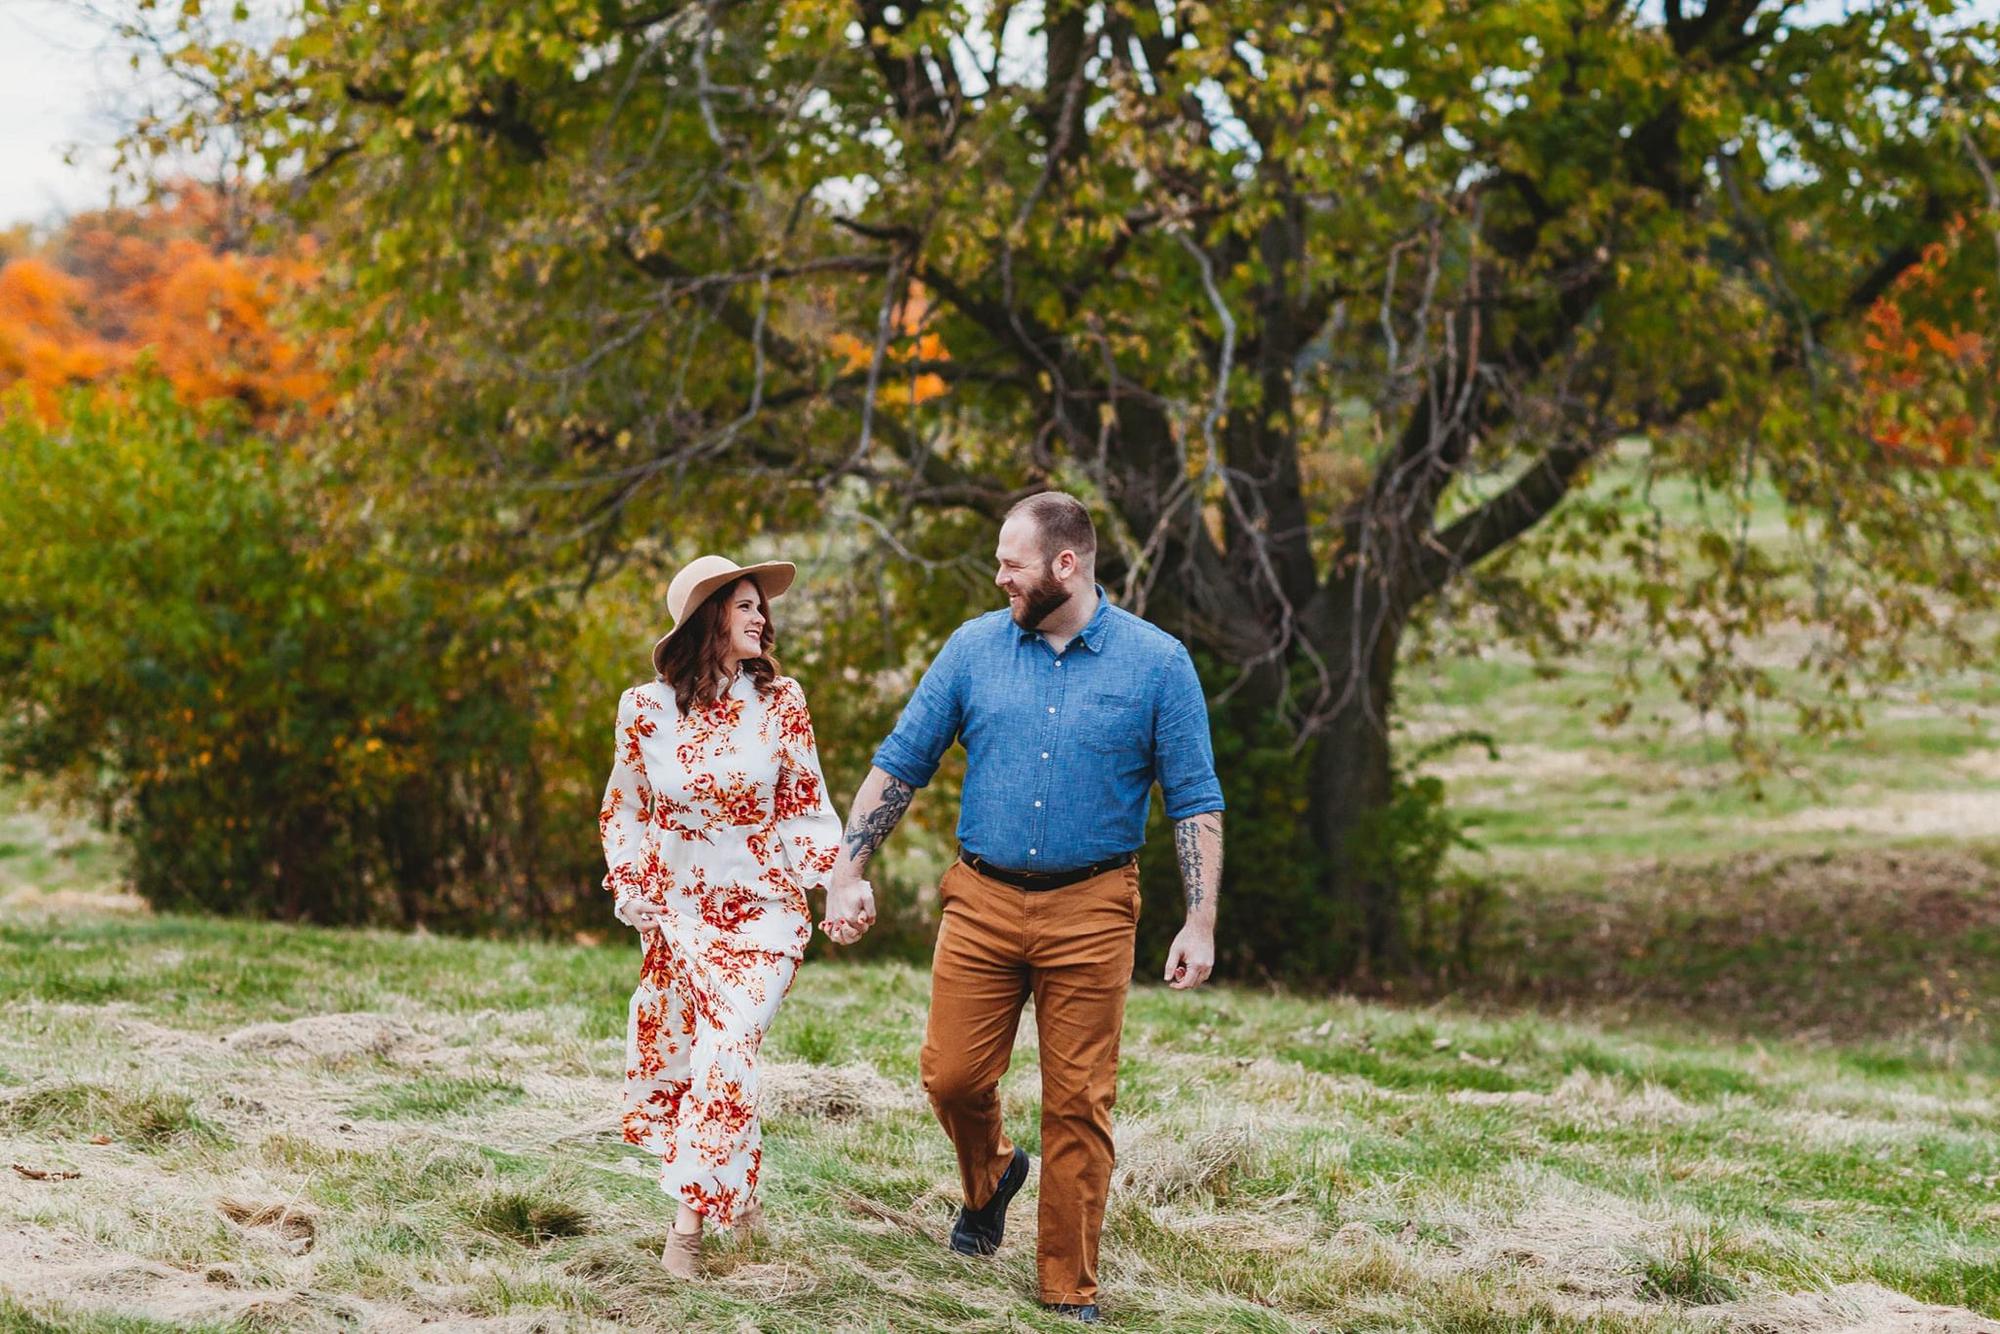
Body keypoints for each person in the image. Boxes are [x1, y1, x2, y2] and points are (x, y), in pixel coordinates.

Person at [822, 491, 1224, 1323]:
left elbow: (1195, 800)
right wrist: (847, 869)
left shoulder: (1157, 664)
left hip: (1094, 907)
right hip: (981, 900)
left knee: (1078, 1102)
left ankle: (1067, 1289)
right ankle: (992, 1177)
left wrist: (1199, 921)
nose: (1000, 577)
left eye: (1013, 564)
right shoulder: (973, 649)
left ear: (1065, 565)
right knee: (953, 1077)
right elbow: (902, 762)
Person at [598, 553, 848, 1279]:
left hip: (765, 917)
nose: (761, 617)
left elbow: (805, 807)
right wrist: (628, 888)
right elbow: (625, 809)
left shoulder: (782, 702)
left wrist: (838, 885)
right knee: (705, 1060)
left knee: (726, 1050)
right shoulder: (644, 710)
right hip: (680, 920)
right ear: (709, 618)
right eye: (744, 605)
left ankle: (685, 1234)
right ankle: (740, 1201)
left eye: (760, 606)